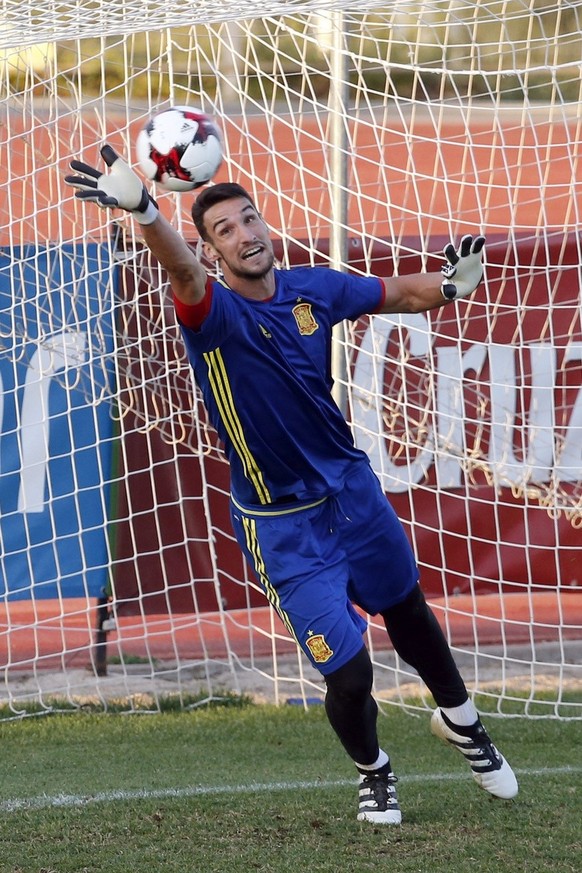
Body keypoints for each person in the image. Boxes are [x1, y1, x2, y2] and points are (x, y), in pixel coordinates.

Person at [66, 145, 518, 825]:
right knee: (350, 673)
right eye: (226, 230)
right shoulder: (211, 313)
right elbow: (181, 271)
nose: (245, 234)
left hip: (353, 494)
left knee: (409, 609)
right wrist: (145, 212)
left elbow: (394, 293)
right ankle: (374, 770)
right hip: (282, 525)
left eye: (250, 219)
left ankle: (464, 723)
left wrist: (452, 286)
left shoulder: (314, 288)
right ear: (213, 251)